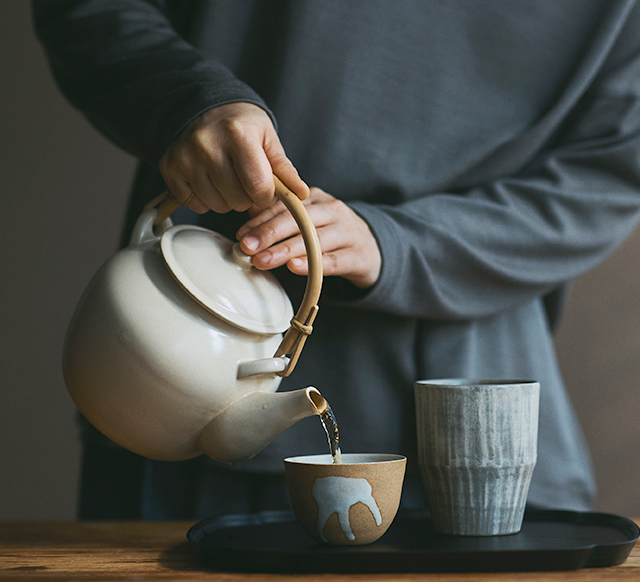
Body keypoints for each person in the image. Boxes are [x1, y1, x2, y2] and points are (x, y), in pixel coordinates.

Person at [34, 0, 640, 520]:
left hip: (474, 438)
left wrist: (397, 243)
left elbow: (612, 171)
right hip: (180, 382)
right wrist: (190, 101)